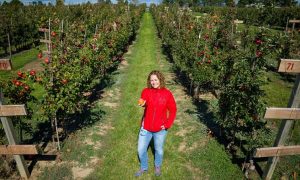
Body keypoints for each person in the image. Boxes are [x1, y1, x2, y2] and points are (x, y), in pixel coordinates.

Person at [135, 70, 177, 177]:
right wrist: (142, 103)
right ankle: (144, 167)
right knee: (140, 149)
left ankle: (157, 166)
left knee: (159, 150)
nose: (153, 82)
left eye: (156, 80)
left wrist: (167, 124)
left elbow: (173, 110)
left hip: (160, 129)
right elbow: (143, 101)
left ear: (160, 80)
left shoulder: (167, 94)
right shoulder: (146, 91)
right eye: (152, 80)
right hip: (146, 127)